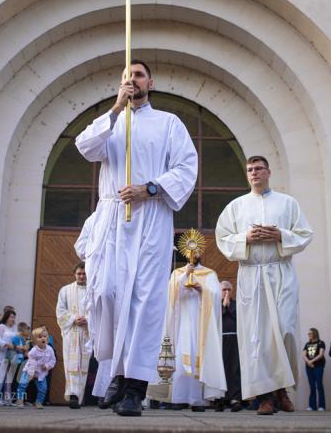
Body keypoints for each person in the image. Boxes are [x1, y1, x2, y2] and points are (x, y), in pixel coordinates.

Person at [74, 59, 198, 417]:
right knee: (106, 292)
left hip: (150, 217)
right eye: (127, 76)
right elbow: (85, 147)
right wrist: (114, 108)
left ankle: (133, 388)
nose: (133, 80)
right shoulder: (112, 122)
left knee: (143, 301)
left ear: (151, 82)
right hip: (112, 217)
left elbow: (186, 166)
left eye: (139, 75)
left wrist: (151, 188)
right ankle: (115, 368)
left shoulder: (168, 123)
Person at [216, 155, 314, 415]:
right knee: (256, 336)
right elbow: (223, 238)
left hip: (280, 271)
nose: (254, 173)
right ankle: (266, 397)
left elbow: (305, 234)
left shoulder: (287, 203)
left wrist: (281, 235)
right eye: (250, 170)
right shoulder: (236, 206)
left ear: (269, 172)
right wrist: (245, 237)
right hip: (251, 275)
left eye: (258, 169)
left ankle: (282, 387)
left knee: (285, 329)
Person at [156, 240, 226, 411]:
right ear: (185, 253)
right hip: (182, 322)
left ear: (200, 252)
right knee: (180, 357)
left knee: (198, 357)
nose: (192, 254)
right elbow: (170, 295)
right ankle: (179, 398)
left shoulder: (210, 274)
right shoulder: (178, 273)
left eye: (195, 251)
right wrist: (184, 276)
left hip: (201, 323)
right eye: (189, 251)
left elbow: (216, 296)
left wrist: (202, 290)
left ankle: (198, 400)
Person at [56, 263, 91, 409]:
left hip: (87, 333)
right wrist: (73, 319)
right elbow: (60, 310)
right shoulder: (65, 290)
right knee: (71, 364)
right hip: (71, 333)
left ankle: (82, 396)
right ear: (74, 274)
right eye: (79, 273)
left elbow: (98, 310)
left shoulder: (92, 290)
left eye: (84, 273)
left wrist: (88, 319)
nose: (82, 276)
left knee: (84, 365)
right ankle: (72, 395)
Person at [16, 326, 56, 409]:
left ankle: (38, 402)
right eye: (40, 337)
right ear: (34, 340)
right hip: (29, 371)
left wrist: (47, 366)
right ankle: (19, 400)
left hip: (41, 373)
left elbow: (53, 360)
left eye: (44, 336)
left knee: (43, 389)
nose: (43, 338)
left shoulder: (50, 350)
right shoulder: (33, 351)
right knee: (23, 384)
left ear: (47, 338)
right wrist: (32, 373)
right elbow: (31, 362)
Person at [218, 280, 243, 412]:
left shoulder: (236, 304)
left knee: (234, 369)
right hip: (219, 340)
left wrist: (228, 306)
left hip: (234, 339)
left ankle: (235, 399)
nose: (227, 292)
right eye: (224, 290)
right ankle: (220, 399)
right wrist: (223, 307)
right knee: (220, 370)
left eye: (229, 290)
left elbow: (240, 319)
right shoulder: (215, 304)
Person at [0, 309, 18, 405]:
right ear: (6, 317)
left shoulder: (14, 328)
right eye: (11, 317)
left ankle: (8, 399)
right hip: (2, 354)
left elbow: (16, 339)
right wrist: (6, 344)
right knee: (1, 375)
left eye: (14, 317)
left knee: (9, 377)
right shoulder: (1, 326)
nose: (13, 319)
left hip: (12, 354)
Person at [302, 328, 326, 411]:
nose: (309, 335)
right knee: (312, 386)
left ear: (315, 333)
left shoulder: (321, 343)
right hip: (309, 367)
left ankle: (321, 406)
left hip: (318, 366)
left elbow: (321, 354)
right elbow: (304, 354)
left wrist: (311, 361)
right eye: (308, 334)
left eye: (310, 333)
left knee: (319, 385)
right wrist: (308, 362)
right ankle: (312, 406)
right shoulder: (307, 344)